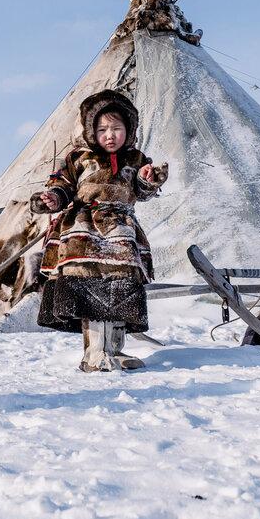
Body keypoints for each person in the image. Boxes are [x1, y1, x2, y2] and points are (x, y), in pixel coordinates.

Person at [31, 89, 168, 371]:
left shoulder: (136, 159)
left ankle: (114, 350)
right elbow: (62, 187)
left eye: (116, 128)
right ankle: (94, 353)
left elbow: (142, 190)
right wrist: (53, 198)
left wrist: (151, 180)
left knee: (120, 288)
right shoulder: (78, 158)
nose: (109, 135)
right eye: (102, 129)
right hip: (83, 230)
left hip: (121, 228)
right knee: (89, 286)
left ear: (128, 130)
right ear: (92, 131)